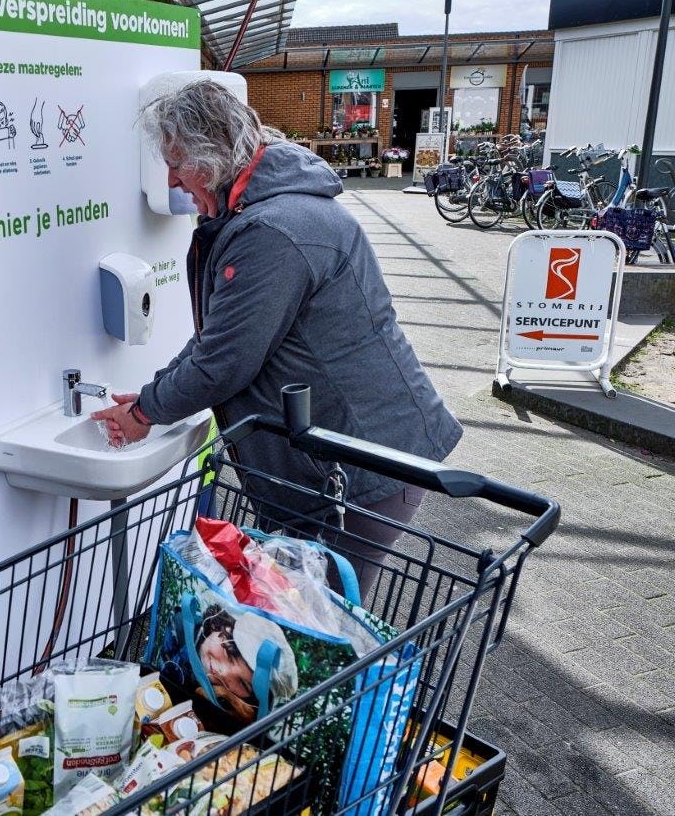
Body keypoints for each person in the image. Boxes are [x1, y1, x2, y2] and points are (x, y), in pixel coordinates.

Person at [92, 80, 462, 593]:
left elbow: (224, 360)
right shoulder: (265, 211)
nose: (173, 181)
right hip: (346, 458)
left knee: (315, 631)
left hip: (357, 469)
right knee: (298, 624)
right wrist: (152, 398)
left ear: (214, 156)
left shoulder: (272, 230)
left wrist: (144, 413)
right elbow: (220, 335)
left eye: (178, 163)